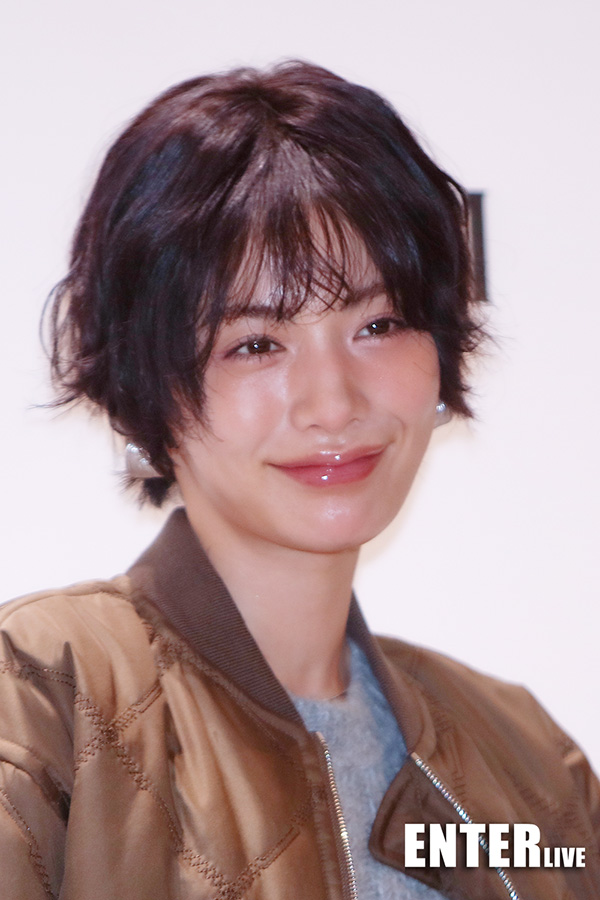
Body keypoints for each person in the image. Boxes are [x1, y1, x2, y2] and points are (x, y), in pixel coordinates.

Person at [0, 61, 598, 900]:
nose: (333, 403)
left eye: (380, 324)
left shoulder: (529, 759)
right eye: (255, 344)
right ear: (147, 387)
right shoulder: (42, 698)